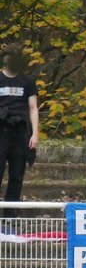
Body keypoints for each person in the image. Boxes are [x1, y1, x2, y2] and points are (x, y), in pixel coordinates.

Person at [0, 48, 38, 210]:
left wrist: (35, 134)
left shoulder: (27, 81)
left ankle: (10, 215)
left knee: (16, 175)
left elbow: (33, 108)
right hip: (1, 129)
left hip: (20, 131)